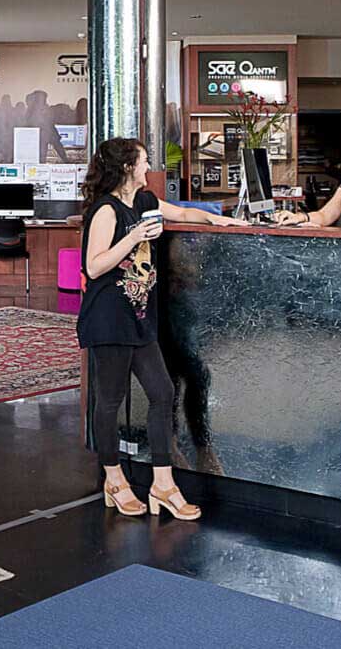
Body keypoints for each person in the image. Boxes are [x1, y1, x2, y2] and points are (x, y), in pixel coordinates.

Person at [79, 137, 246, 520]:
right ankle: (114, 479)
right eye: (143, 160)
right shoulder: (106, 211)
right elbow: (95, 266)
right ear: (127, 167)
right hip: (109, 316)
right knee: (110, 399)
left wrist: (217, 218)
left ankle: (163, 484)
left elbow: (183, 214)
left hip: (139, 317)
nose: (149, 165)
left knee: (162, 392)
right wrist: (134, 237)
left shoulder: (145, 201)